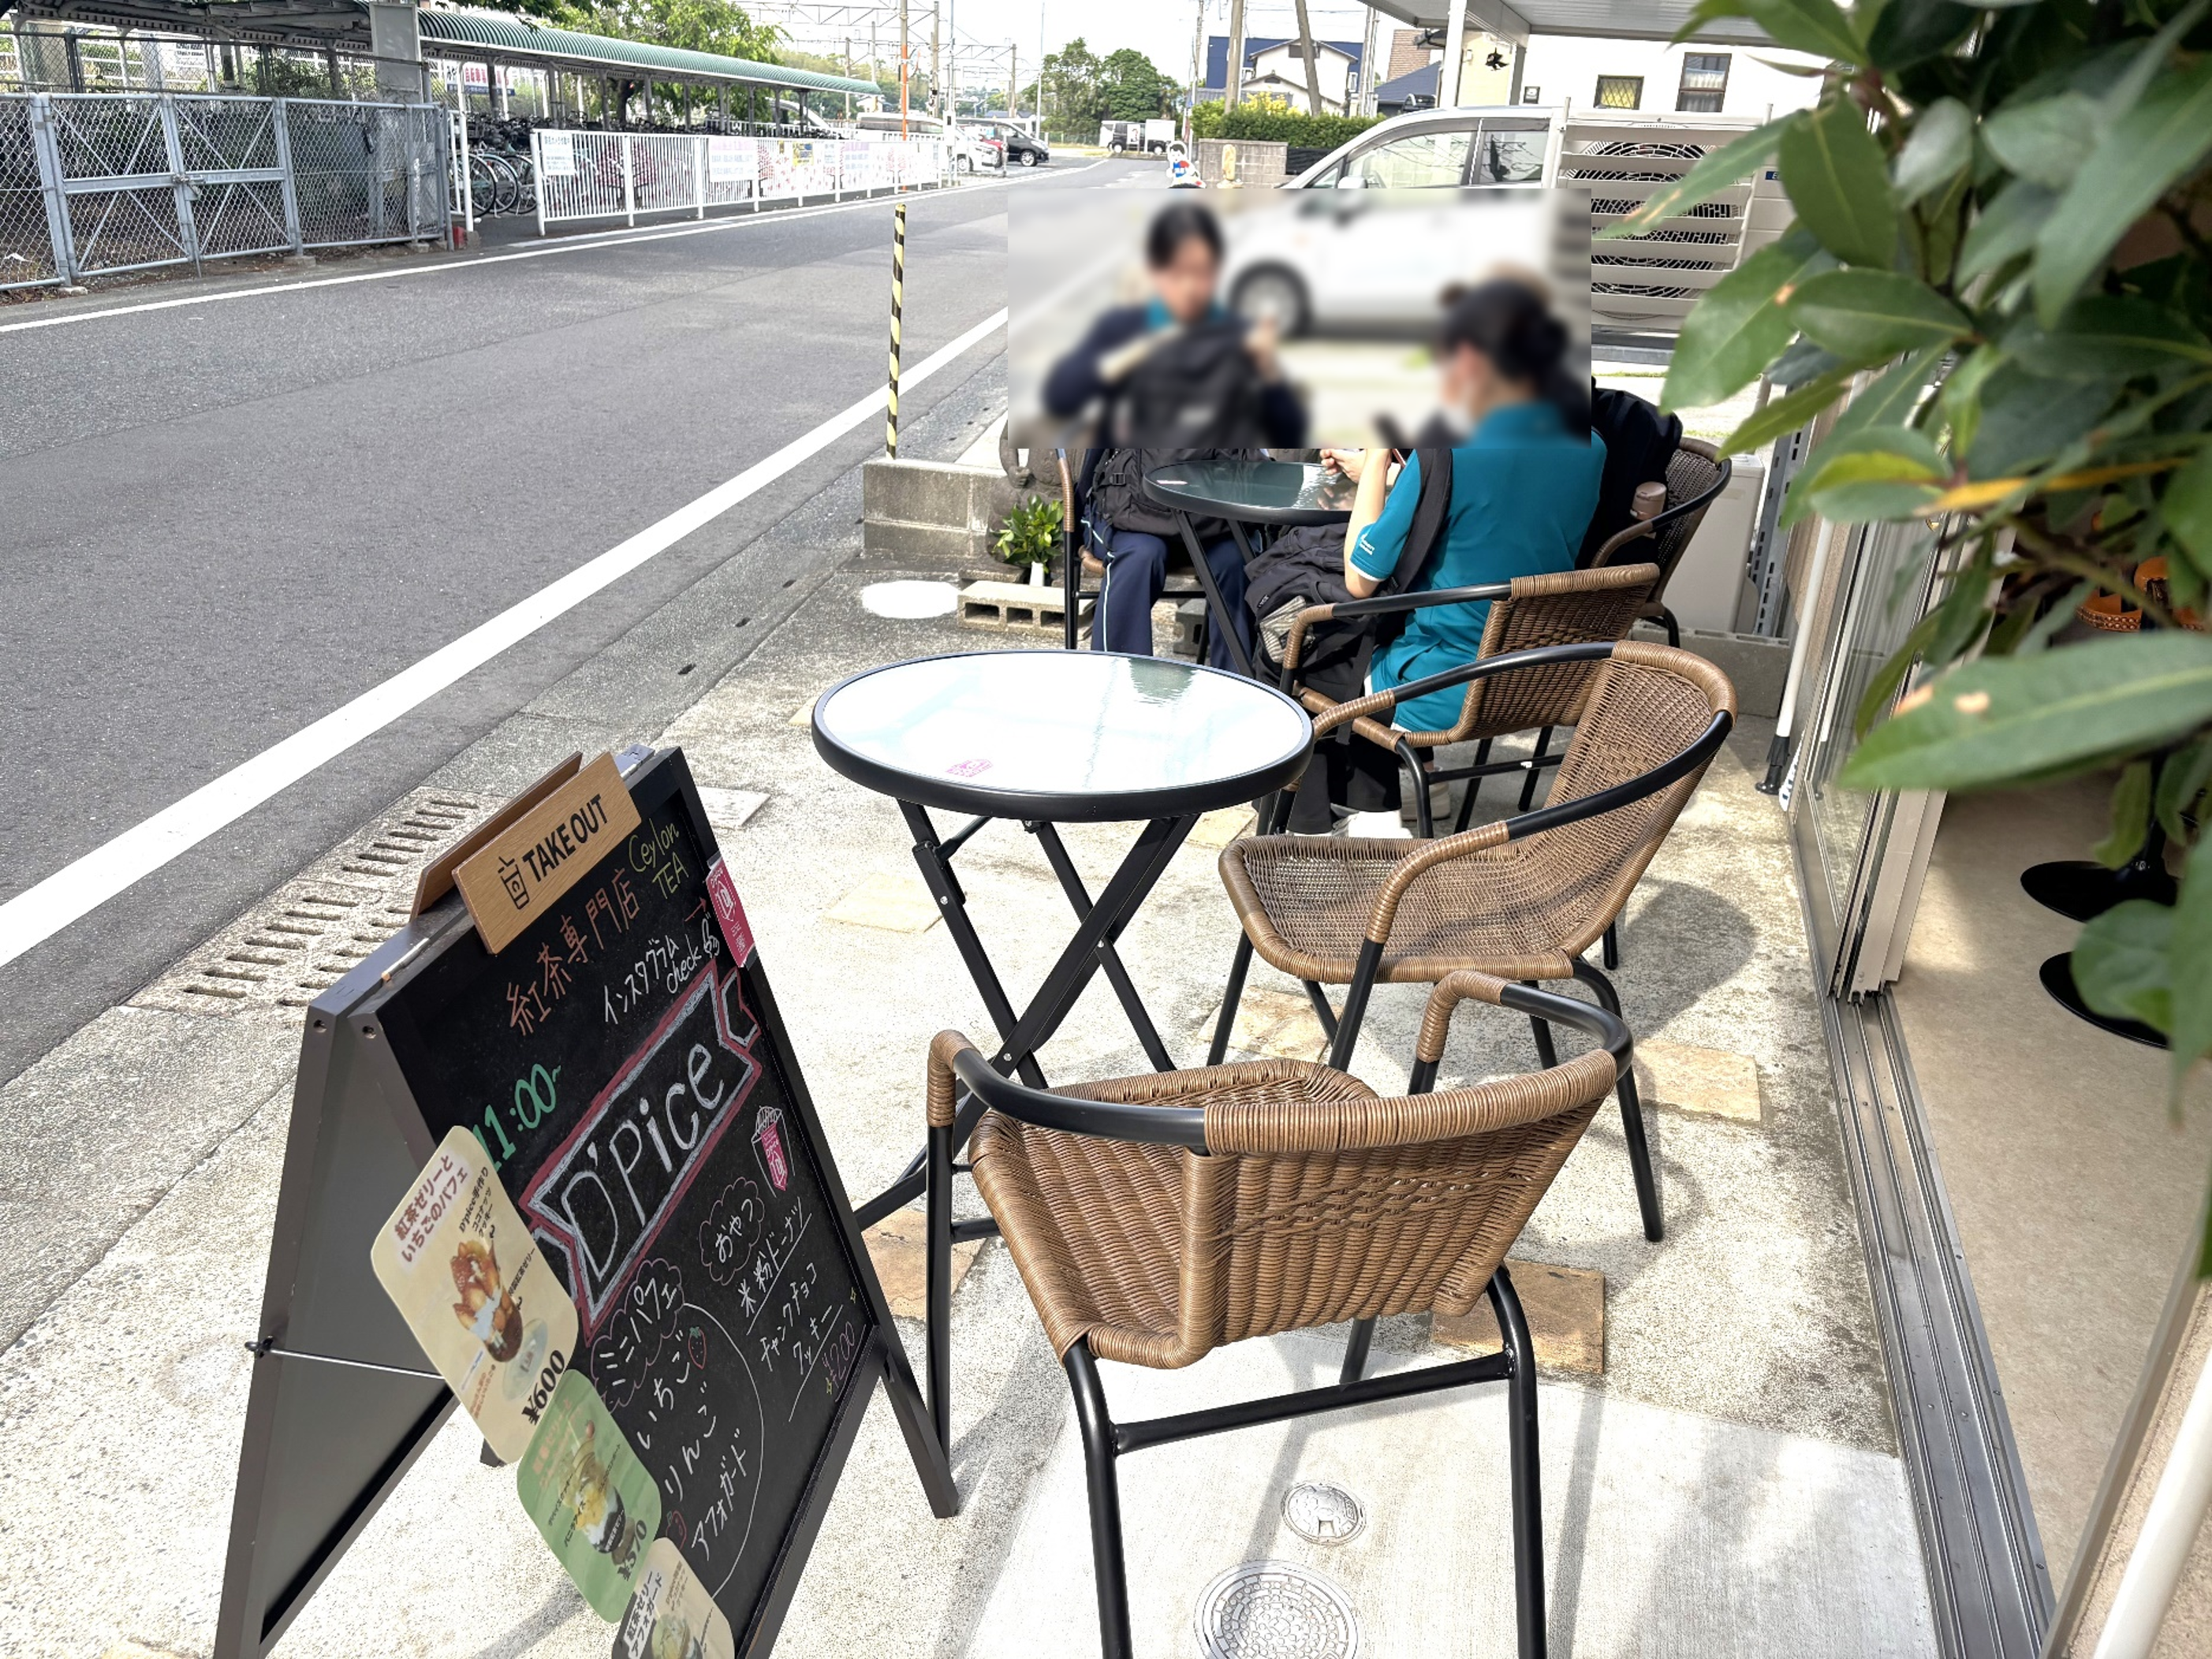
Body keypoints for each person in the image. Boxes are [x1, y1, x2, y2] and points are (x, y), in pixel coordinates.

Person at [1289, 278, 1605, 833]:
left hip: (1442, 680)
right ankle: (1405, 792)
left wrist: (1382, 448)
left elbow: (1362, 575)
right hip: (1539, 668)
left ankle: (1343, 820)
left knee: (1308, 640)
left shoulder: (1449, 448)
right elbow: (1499, 512)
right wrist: (1401, 478)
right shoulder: (1590, 444)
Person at [1043, 203, 1306, 666]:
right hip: (1136, 514)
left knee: (1236, 565)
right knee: (1140, 557)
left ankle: (1233, 688)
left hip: (1214, 515)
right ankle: (1110, 679)